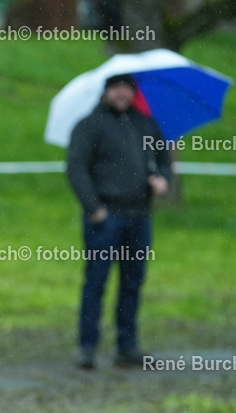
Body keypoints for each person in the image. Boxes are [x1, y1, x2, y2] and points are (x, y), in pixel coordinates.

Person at [67, 73, 171, 370]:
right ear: (106, 91)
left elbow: (163, 160)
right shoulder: (90, 125)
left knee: (133, 282)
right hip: (105, 218)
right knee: (96, 282)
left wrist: (162, 180)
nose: (122, 93)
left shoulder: (145, 124)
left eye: (127, 87)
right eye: (116, 87)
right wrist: (93, 208)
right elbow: (76, 168)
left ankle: (127, 346)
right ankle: (87, 346)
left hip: (139, 216)